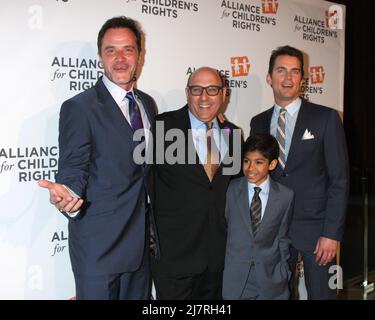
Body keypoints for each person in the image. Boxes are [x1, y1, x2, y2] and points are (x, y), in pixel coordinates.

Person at [38, 16, 159, 300]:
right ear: (100, 58)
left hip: (141, 246)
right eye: (110, 50)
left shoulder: (147, 104)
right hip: (98, 248)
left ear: (139, 56)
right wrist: (66, 194)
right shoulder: (79, 108)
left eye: (128, 49)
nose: (120, 58)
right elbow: (73, 166)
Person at [250, 45, 349, 299]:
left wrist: (331, 234)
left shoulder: (325, 118)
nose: (288, 77)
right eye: (281, 70)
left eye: (295, 72)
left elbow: (339, 180)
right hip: (273, 231)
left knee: (322, 296)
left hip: (317, 232)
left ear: (302, 80)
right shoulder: (258, 122)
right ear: (270, 77)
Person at [151, 66, 242, 300]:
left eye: (212, 90)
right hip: (174, 258)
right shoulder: (162, 127)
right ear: (187, 92)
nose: (204, 97)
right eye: (196, 89)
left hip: (217, 259)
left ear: (224, 94)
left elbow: (234, 193)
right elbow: (144, 183)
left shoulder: (233, 134)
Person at [222, 133, 294, 300]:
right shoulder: (230, 190)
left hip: (271, 281)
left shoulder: (285, 196)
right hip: (236, 280)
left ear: (272, 164)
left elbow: (282, 238)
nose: (250, 168)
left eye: (258, 162)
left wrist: (283, 271)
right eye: (246, 161)